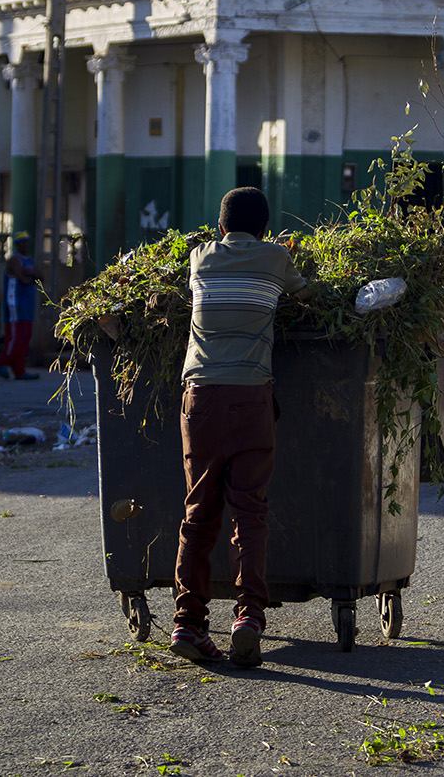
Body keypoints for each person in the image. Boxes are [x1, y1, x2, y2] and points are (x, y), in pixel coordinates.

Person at [169, 187, 307, 668]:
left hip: (201, 398)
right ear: (265, 229)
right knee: (249, 513)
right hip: (251, 398)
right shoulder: (276, 258)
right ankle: (248, 618)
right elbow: (309, 293)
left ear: (221, 227)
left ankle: (187, 623)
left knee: (198, 513)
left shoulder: (198, 257)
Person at [0, 230, 43, 381]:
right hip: (15, 303)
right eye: (23, 242)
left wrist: (31, 274)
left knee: (26, 335)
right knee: (15, 336)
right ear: (17, 244)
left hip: (27, 304)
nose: (26, 244)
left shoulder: (28, 260)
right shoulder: (14, 260)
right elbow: (25, 280)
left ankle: (19, 370)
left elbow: (40, 277)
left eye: (27, 241)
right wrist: (30, 274)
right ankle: (2, 361)